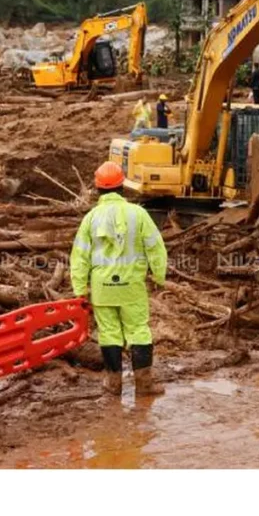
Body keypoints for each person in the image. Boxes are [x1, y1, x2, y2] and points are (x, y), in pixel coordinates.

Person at [70, 163, 168, 396]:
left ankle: (113, 384)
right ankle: (144, 385)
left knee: (109, 333)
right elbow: (156, 247)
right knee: (138, 331)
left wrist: (79, 289)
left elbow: (79, 257)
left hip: (102, 288)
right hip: (131, 287)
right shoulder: (138, 214)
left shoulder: (91, 218)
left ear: (97, 188)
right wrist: (159, 275)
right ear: (122, 185)